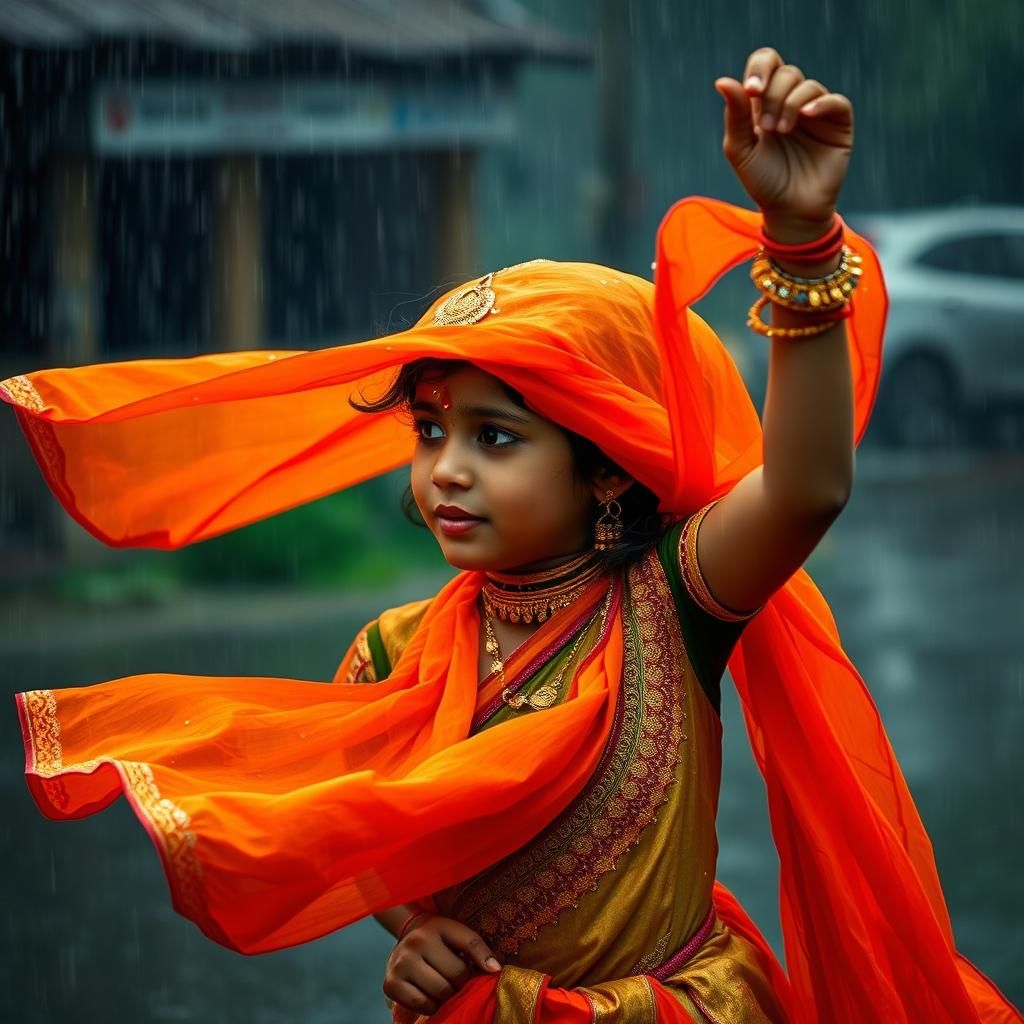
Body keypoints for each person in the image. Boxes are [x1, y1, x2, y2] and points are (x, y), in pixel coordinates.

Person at [3, 48, 1018, 1023]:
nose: (446, 467)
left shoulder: (671, 603)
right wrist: (413, 935)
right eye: (431, 430)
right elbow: (368, 835)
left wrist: (798, 235)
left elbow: (804, 488)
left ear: (606, 460)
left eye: (495, 437)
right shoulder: (389, 656)